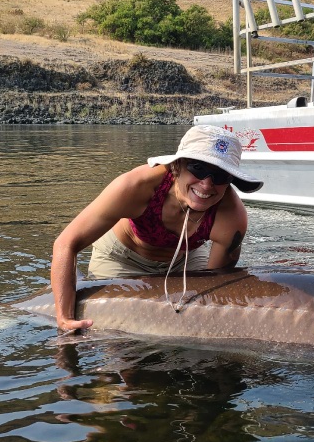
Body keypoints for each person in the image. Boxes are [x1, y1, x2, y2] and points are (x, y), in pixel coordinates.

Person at [52, 124, 263, 332]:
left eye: (220, 176)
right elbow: (66, 244)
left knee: (194, 319)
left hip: (184, 257)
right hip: (123, 257)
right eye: (198, 168)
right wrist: (63, 317)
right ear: (177, 165)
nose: (206, 184)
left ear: (230, 181)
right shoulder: (135, 187)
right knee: (120, 344)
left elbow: (216, 286)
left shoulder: (232, 218)